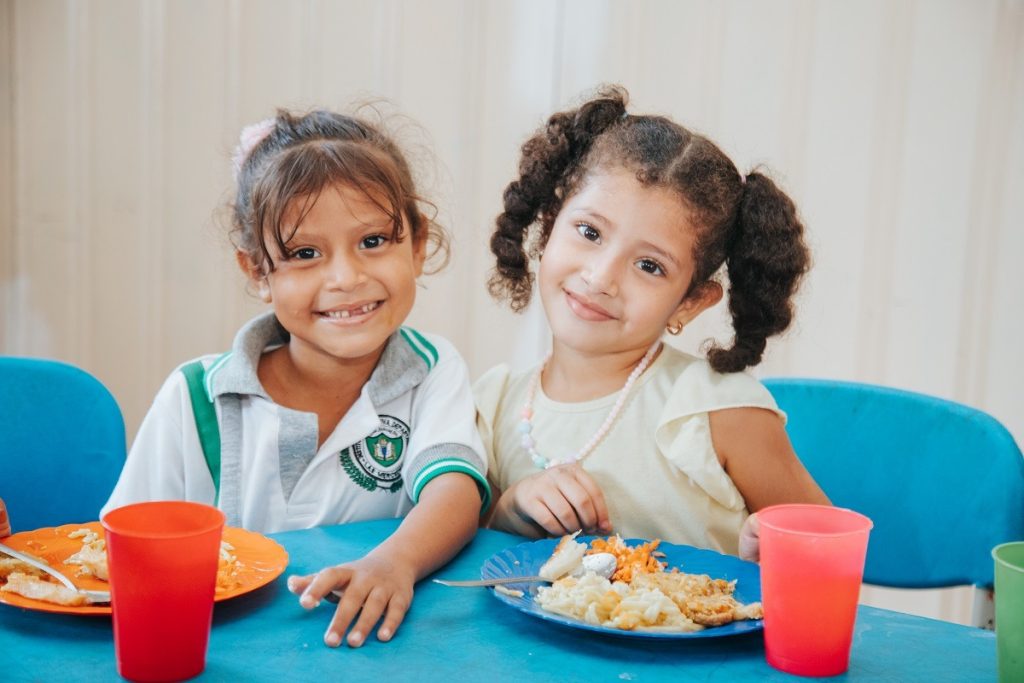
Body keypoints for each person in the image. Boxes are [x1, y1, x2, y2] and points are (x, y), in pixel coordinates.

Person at [102, 109, 489, 647]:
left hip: (375, 651)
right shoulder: (196, 398)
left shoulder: (431, 369)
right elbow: (128, 553)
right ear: (258, 272)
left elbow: (456, 490)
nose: (345, 278)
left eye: (373, 241)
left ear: (418, 244)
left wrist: (395, 563)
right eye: (305, 254)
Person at [475, 86, 828, 561]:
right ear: (549, 224)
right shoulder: (495, 405)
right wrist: (506, 512)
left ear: (690, 302)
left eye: (650, 266)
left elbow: (828, 545)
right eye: (589, 232)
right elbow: (464, 554)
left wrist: (769, 552)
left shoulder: (712, 411)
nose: (600, 278)